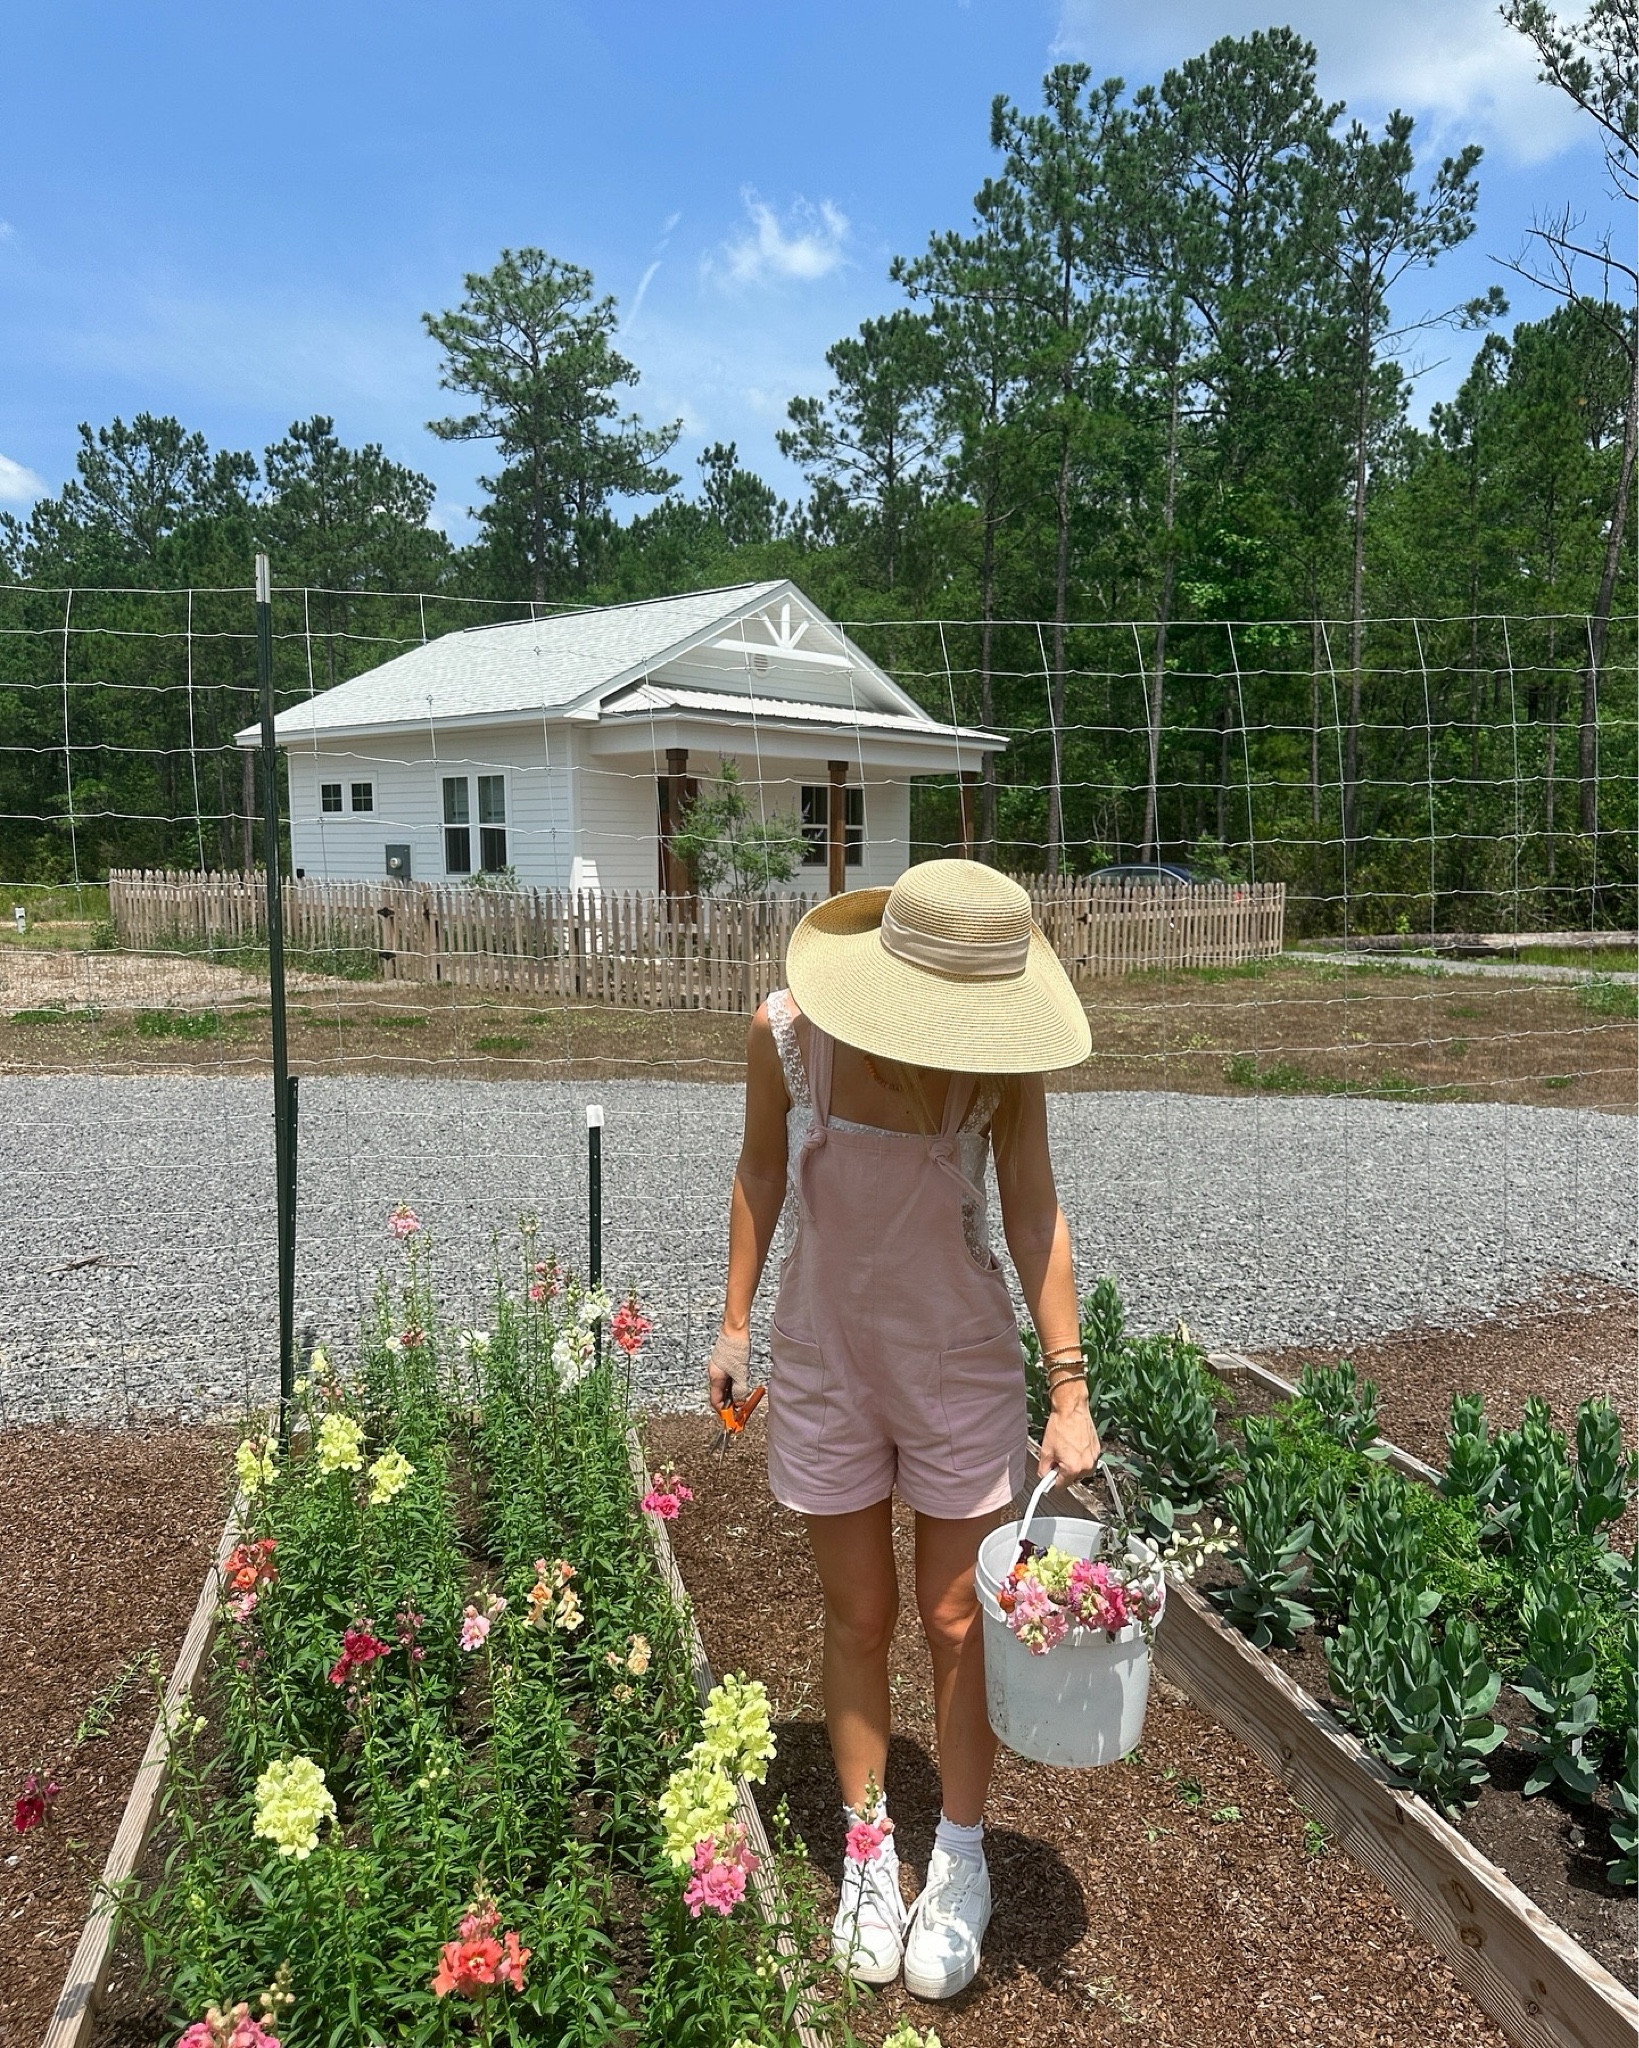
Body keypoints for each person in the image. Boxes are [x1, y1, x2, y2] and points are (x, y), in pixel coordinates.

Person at [706, 859, 1099, 2001]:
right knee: (859, 1613)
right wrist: (733, 1324)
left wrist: (1068, 1386)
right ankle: (869, 1852)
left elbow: (1032, 1205)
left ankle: (961, 1854)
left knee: (955, 1616)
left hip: (957, 1366)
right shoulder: (786, 1033)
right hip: (827, 1360)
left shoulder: (1002, 1067)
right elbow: (759, 1169)